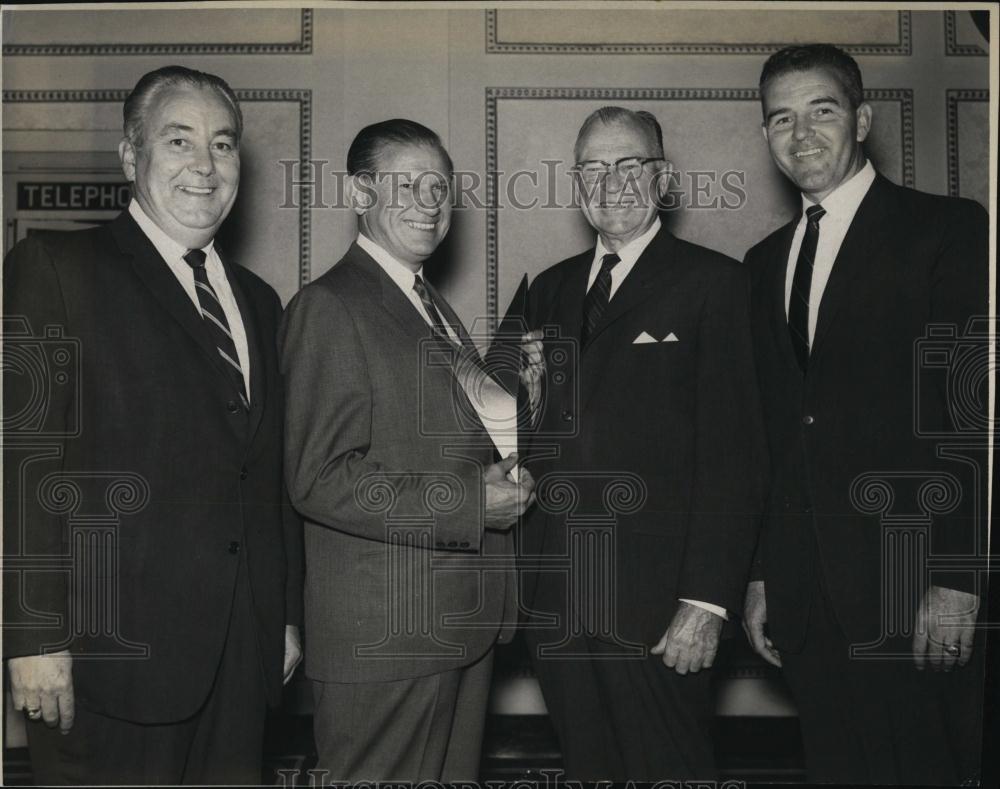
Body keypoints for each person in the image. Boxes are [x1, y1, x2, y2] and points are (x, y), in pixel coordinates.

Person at [2, 66, 304, 784]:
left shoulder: (260, 302)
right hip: (109, 665)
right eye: (179, 141)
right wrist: (33, 636)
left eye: (223, 145)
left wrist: (283, 617)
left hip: (239, 661)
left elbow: (264, 474)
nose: (205, 166)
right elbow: (22, 463)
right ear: (130, 157)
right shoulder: (56, 267)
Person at [742, 44, 988, 784]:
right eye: (781, 118)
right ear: (765, 138)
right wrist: (761, 577)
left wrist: (959, 575)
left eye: (822, 110)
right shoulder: (760, 262)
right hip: (807, 600)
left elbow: (970, 415)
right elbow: (774, 432)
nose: (802, 133)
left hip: (913, 586)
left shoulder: (945, 229)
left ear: (863, 118)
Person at [279, 118, 535, 782]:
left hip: (453, 627)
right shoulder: (330, 306)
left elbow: (437, 443)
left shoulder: (432, 307)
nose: (430, 202)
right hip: (388, 640)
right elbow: (319, 477)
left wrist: (518, 400)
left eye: (441, 187)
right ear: (360, 193)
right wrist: (473, 501)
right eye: (408, 184)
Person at [518, 106, 765, 780]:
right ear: (576, 183)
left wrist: (707, 600)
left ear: (662, 179)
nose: (612, 181)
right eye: (594, 168)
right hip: (557, 601)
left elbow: (734, 454)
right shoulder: (548, 288)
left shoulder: (715, 283)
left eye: (629, 164)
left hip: (657, 607)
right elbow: (519, 437)